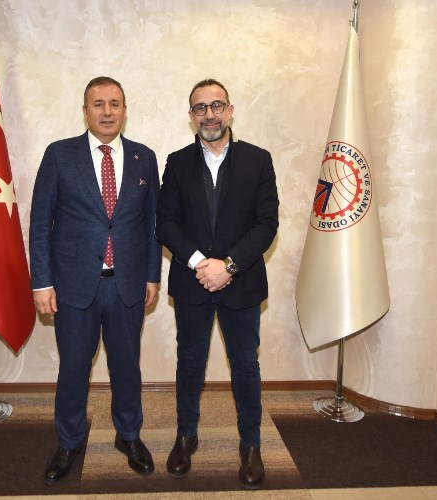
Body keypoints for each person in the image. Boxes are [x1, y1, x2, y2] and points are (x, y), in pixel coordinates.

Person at [29, 76, 162, 485]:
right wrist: (41, 282)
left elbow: (153, 224)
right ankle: (69, 441)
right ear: (85, 111)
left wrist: (152, 276)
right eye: (98, 104)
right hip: (72, 286)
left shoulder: (144, 158)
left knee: (127, 366)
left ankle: (129, 436)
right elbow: (40, 222)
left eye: (115, 103)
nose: (107, 112)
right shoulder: (59, 155)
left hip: (127, 285)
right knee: (73, 368)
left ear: (125, 110)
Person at [156, 79, 279, 490]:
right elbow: (166, 223)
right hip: (192, 282)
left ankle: (251, 444)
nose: (209, 115)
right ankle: (185, 436)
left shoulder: (258, 160)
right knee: (190, 362)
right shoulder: (176, 163)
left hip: (241, 283)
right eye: (200, 108)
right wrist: (199, 263)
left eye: (216, 106)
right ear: (191, 115)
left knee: (245, 364)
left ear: (230, 110)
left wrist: (228, 266)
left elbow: (266, 224)